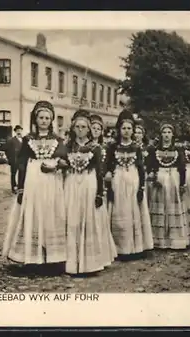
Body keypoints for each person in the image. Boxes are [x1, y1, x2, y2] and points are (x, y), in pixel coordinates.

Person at [2, 101, 68, 267]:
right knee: (34, 211)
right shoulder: (28, 139)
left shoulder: (58, 140)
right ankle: (31, 255)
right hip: (33, 180)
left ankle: (53, 256)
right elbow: (22, 163)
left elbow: (65, 160)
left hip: (51, 180)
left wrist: (55, 165)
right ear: (36, 119)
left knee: (51, 212)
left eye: (47, 118)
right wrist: (21, 187)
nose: (44, 120)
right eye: (41, 117)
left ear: (51, 120)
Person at [63, 109, 117, 275]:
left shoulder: (95, 148)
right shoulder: (68, 147)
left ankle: (90, 261)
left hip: (89, 183)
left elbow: (100, 172)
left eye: (83, 127)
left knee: (88, 218)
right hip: (72, 183)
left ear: (88, 129)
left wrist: (100, 193)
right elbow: (62, 163)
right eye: (77, 127)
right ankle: (72, 260)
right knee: (72, 218)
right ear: (73, 129)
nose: (80, 130)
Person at [105, 110, 154, 257]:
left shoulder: (136, 147)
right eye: (123, 128)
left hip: (133, 179)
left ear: (133, 131)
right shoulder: (112, 147)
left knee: (133, 210)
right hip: (118, 179)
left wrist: (141, 187)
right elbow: (108, 165)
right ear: (119, 130)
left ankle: (135, 247)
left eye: (129, 128)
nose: (126, 131)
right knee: (119, 210)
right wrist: (108, 174)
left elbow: (140, 168)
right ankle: (119, 247)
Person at [147, 122, 189, 250]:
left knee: (172, 206)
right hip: (159, 179)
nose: (166, 135)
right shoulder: (154, 150)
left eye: (169, 133)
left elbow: (182, 168)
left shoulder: (178, 150)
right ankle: (159, 239)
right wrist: (153, 176)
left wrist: (182, 184)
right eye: (164, 133)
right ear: (160, 135)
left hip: (173, 179)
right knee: (159, 206)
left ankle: (174, 239)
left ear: (173, 135)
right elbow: (150, 165)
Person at [5, 125, 24, 193]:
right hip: (14, 160)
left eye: (20, 130)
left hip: (21, 161)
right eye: (17, 130)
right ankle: (13, 187)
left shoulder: (24, 140)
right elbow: (6, 150)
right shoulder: (11, 140)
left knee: (21, 173)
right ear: (15, 131)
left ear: (22, 131)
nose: (19, 132)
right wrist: (10, 159)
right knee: (13, 174)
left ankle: (20, 187)